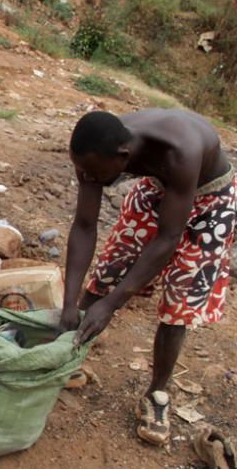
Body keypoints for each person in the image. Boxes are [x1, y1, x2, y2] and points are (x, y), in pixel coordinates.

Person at [60, 110, 236, 446]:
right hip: (159, 188)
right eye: (82, 170)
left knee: (178, 303)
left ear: (123, 158)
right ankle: (67, 357)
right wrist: (69, 301)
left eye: (94, 174)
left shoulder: (178, 152)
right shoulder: (95, 151)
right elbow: (84, 225)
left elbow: (168, 238)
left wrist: (113, 305)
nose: (87, 178)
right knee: (108, 272)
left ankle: (157, 395)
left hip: (210, 198)